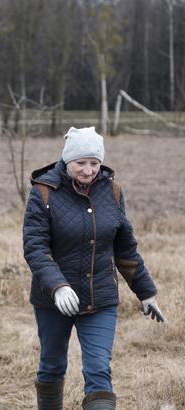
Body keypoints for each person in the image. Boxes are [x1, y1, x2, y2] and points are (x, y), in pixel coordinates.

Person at [23, 126, 164, 410]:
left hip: (100, 298)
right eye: (81, 163)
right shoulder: (44, 193)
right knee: (51, 366)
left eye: (94, 163)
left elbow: (125, 247)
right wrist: (58, 286)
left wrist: (146, 292)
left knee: (99, 370)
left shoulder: (112, 191)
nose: (89, 170)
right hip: (53, 300)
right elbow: (35, 247)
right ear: (67, 161)